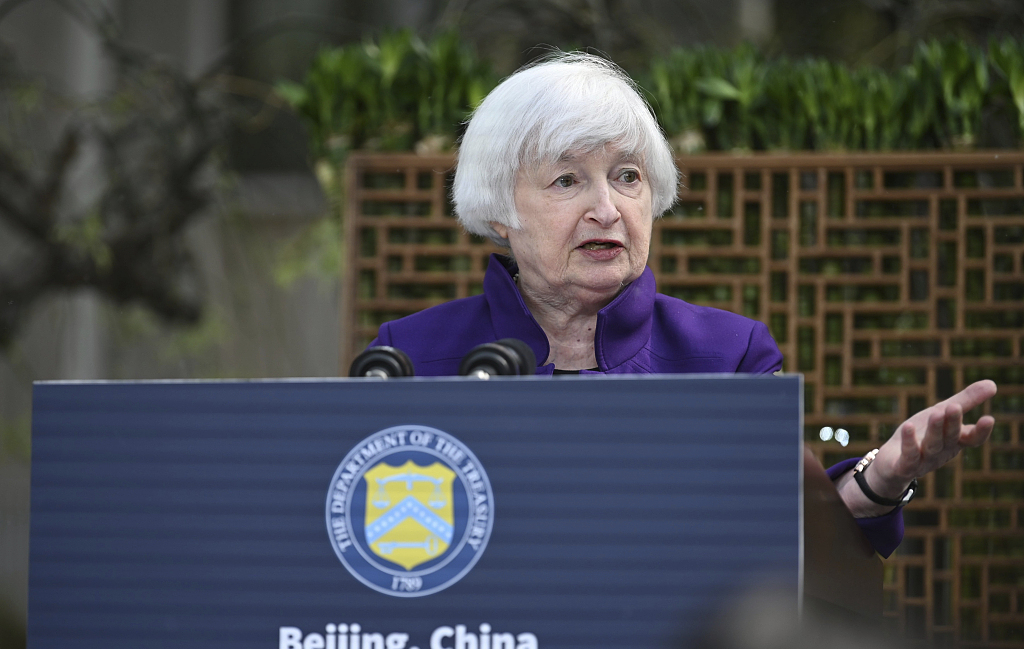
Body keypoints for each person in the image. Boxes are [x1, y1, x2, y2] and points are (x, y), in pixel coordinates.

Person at [368, 53, 996, 556]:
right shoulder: (409, 357)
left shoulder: (727, 355)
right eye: (567, 180)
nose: (607, 209)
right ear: (500, 212)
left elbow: (789, 530)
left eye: (628, 176)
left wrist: (878, 483)